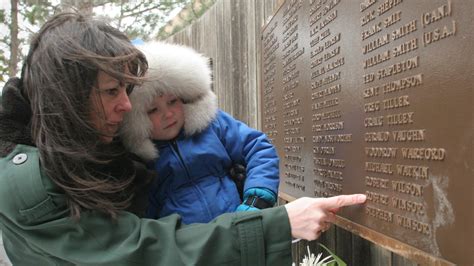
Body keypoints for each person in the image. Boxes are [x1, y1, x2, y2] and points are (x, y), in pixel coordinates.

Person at [0, 12, 366, 265]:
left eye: (128, 90)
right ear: (68, 94)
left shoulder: (78, 144)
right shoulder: (29, 184)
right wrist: (278, 224)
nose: (127, 106)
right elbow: (144, 250)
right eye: (112, 91)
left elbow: (257, 147)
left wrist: (257, 196)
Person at [120, 42, 280, 224]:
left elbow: (258, 148)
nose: (168, 114)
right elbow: (145, 217)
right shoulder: (142, 164)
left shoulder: (213, 125)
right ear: (137, 120)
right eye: (153, 110)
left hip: (241, 225)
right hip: (190, 246)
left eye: (173, 101)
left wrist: (256, 200)